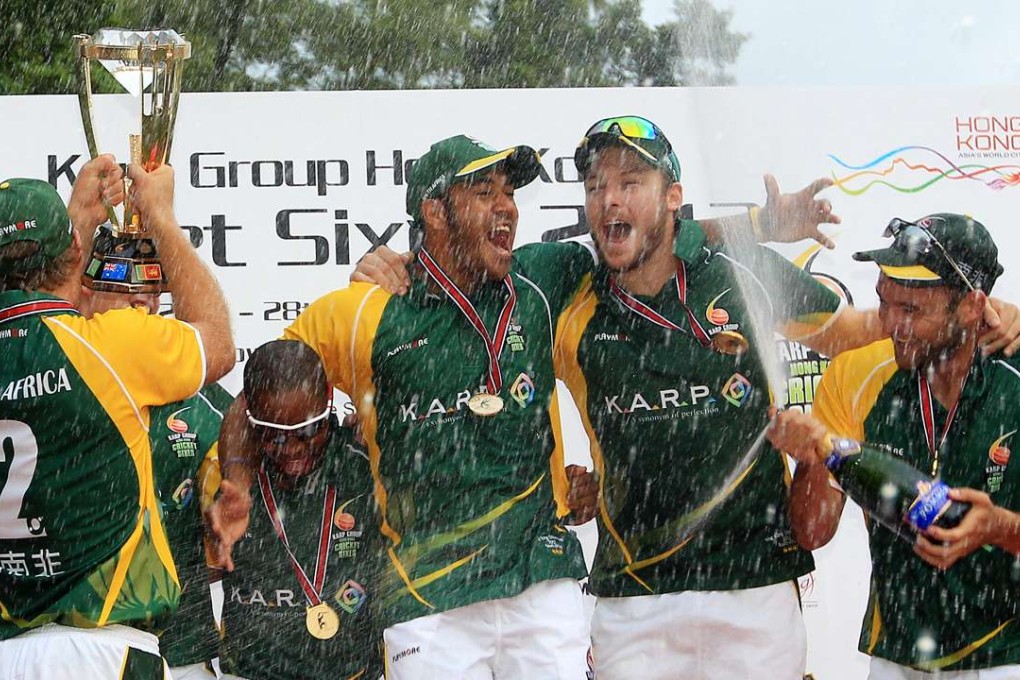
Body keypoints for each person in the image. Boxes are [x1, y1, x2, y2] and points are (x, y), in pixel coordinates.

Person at [352, 116, 1020, 680]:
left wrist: (988, 313)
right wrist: (400, 263)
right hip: (632, 596)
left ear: (674, 196)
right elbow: (472, 315)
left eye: (631, 182)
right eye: (596, 186)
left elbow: (861, 330)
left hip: (755, 584)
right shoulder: (567, 290)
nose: (610, 200)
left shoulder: (745, 275)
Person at [219, 134, 596, 679]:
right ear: (435, 212)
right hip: (424, 595)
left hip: (540, 578)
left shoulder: (541, 280)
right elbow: (250, 401)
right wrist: (235, 482)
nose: (507, 207)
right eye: (484, 191)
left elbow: (650, 251)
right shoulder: (362, 312)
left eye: (509, 193)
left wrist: (756, 224)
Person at [0, 165, 237, 678]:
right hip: (101, 650)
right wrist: (162, 219)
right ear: (74, 261)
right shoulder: (111, 345)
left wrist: (75, 224)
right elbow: (218, 341)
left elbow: (40, 317)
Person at [768, 213, 1020, 679]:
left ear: (971, 306)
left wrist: (998, 527)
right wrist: (811, 460)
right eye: (885, 303)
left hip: (1006, 652)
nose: (891, 325)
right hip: (897, 654)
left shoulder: (1013, 379)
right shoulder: (855, 373)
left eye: (912, 311)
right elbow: (812, 532)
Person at [212, 340, 380, 680]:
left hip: (353, 672)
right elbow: (203, 570)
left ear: (328, 403)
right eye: (272, 435)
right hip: (248, 673)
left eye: (306, 432)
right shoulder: (231, 483)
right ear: (250, 422)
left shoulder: (364, 468)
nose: (290, 450)